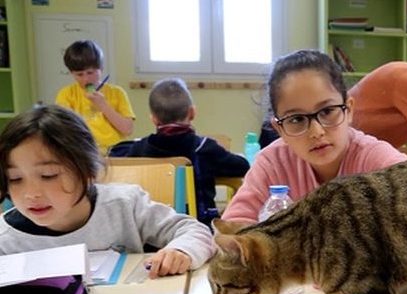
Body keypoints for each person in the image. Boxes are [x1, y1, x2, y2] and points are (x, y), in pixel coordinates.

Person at [0, 105, 214, 279]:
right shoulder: (5, 239)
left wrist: (181, 252)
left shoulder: (125, 205)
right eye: (15, 179)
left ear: (88, 170)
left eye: (48, 175)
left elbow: (196, 231)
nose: (31, 194)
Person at [221, 49, 407, 223]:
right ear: (279, 129)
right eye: (296, 119)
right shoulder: (272, 164)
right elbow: (234, 231)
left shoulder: (377, 161)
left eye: (327, 111)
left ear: (349, 110)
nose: (316, 132)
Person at [108, 77, 250, 227]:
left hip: (151, 230)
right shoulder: (205, 148)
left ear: (154, 119)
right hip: (198, 230)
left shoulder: (139, 149)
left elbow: (114, 156)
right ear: (192, 113)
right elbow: (242, 166)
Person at [55, 39, 135, 154]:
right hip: (83, 152)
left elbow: (127, 130)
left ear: (101, 69)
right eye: (79, 74)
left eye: (90, 72)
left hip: (114, 151)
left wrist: (103, 105)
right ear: (71, 73)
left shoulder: (117, 93)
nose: (86, 79)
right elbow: (63, 131)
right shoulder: (66, 94)